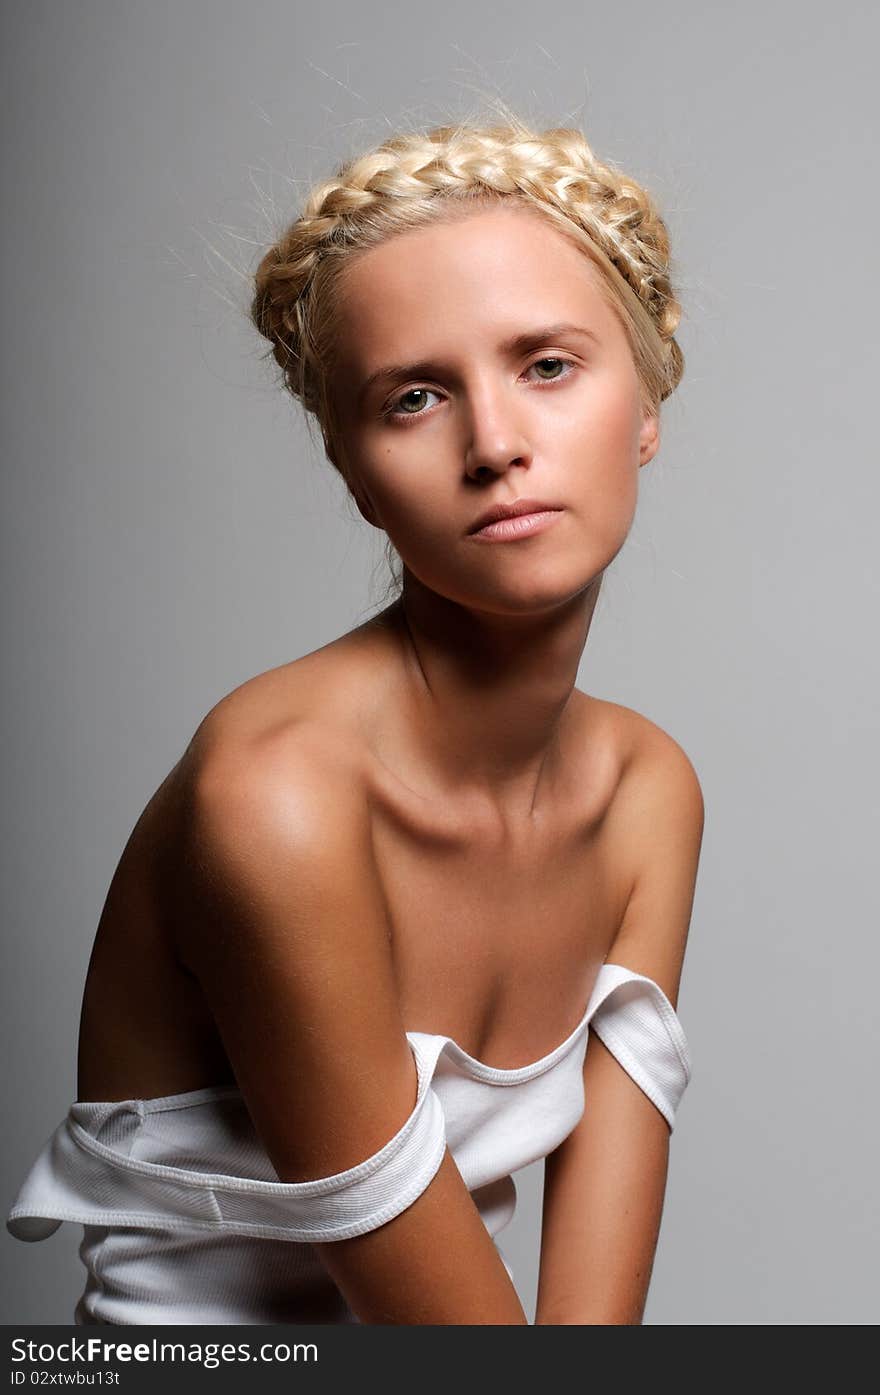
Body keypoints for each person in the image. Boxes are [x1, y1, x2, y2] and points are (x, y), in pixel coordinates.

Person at [6, 112, 704, 1326]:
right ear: (351, 471)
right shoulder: (274, 799)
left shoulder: (645, 793)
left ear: (646, 402)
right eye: (416, 398)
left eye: (547, 365)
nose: (495, 445)